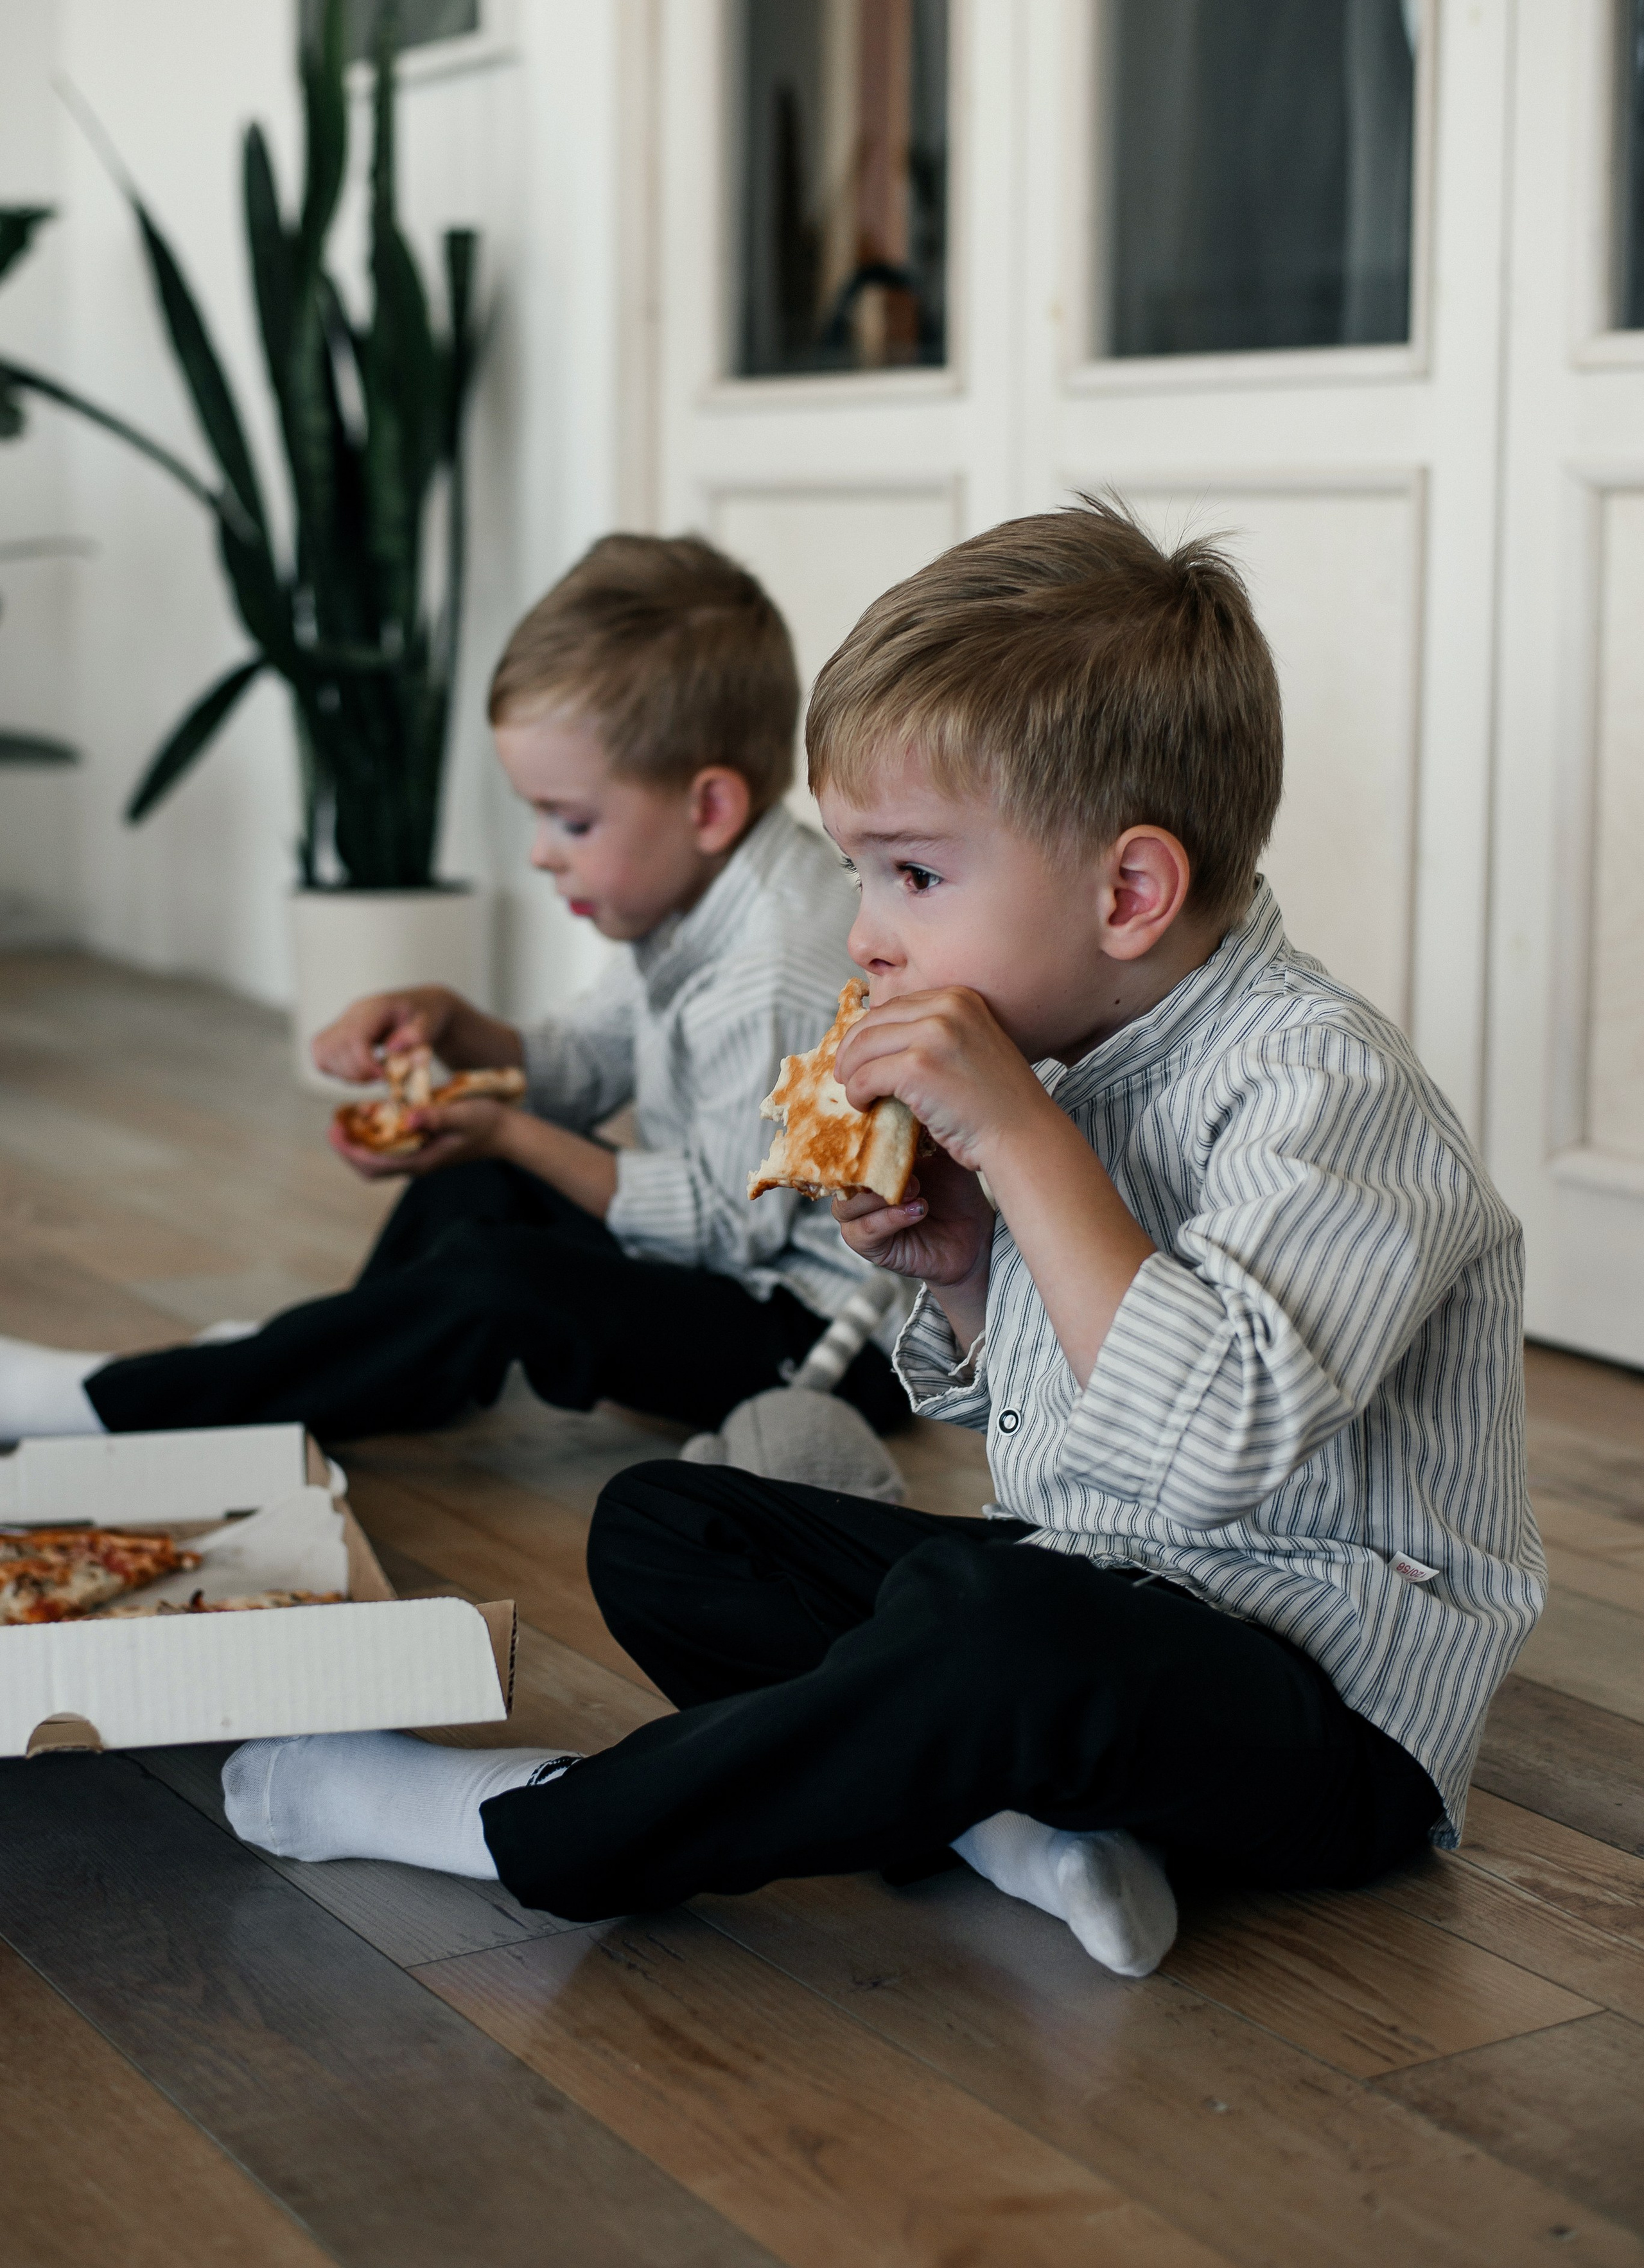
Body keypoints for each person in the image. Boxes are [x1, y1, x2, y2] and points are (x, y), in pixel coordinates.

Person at [220, 499, 1544, 1979]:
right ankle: (1014, 1825)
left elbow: (1210, 1445)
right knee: (668, 1527)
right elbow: (1051, 1440)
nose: (862, 935)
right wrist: (969, 1270)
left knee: (1002, 1622)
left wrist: (1024, 1150)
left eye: (910, 874)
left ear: (1125, 892)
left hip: (1327, 1712)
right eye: (856, 873)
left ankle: (529, 1821)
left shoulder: (1326, 1091)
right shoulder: (1062, 1059)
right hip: (1095, 1603)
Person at [0, 533, 906, 1446]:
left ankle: (127, 1405)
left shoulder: (772, 968)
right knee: (476, 1176)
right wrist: (458, 1028)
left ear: (708, 808)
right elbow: (587, 1064)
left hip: (819, 1346)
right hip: (729, 1271)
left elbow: (722, 1232)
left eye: (573, 820)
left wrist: (511, 1127)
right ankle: (309, 1369)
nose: (541, 852)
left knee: (500, 1279)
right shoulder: (693, 899)